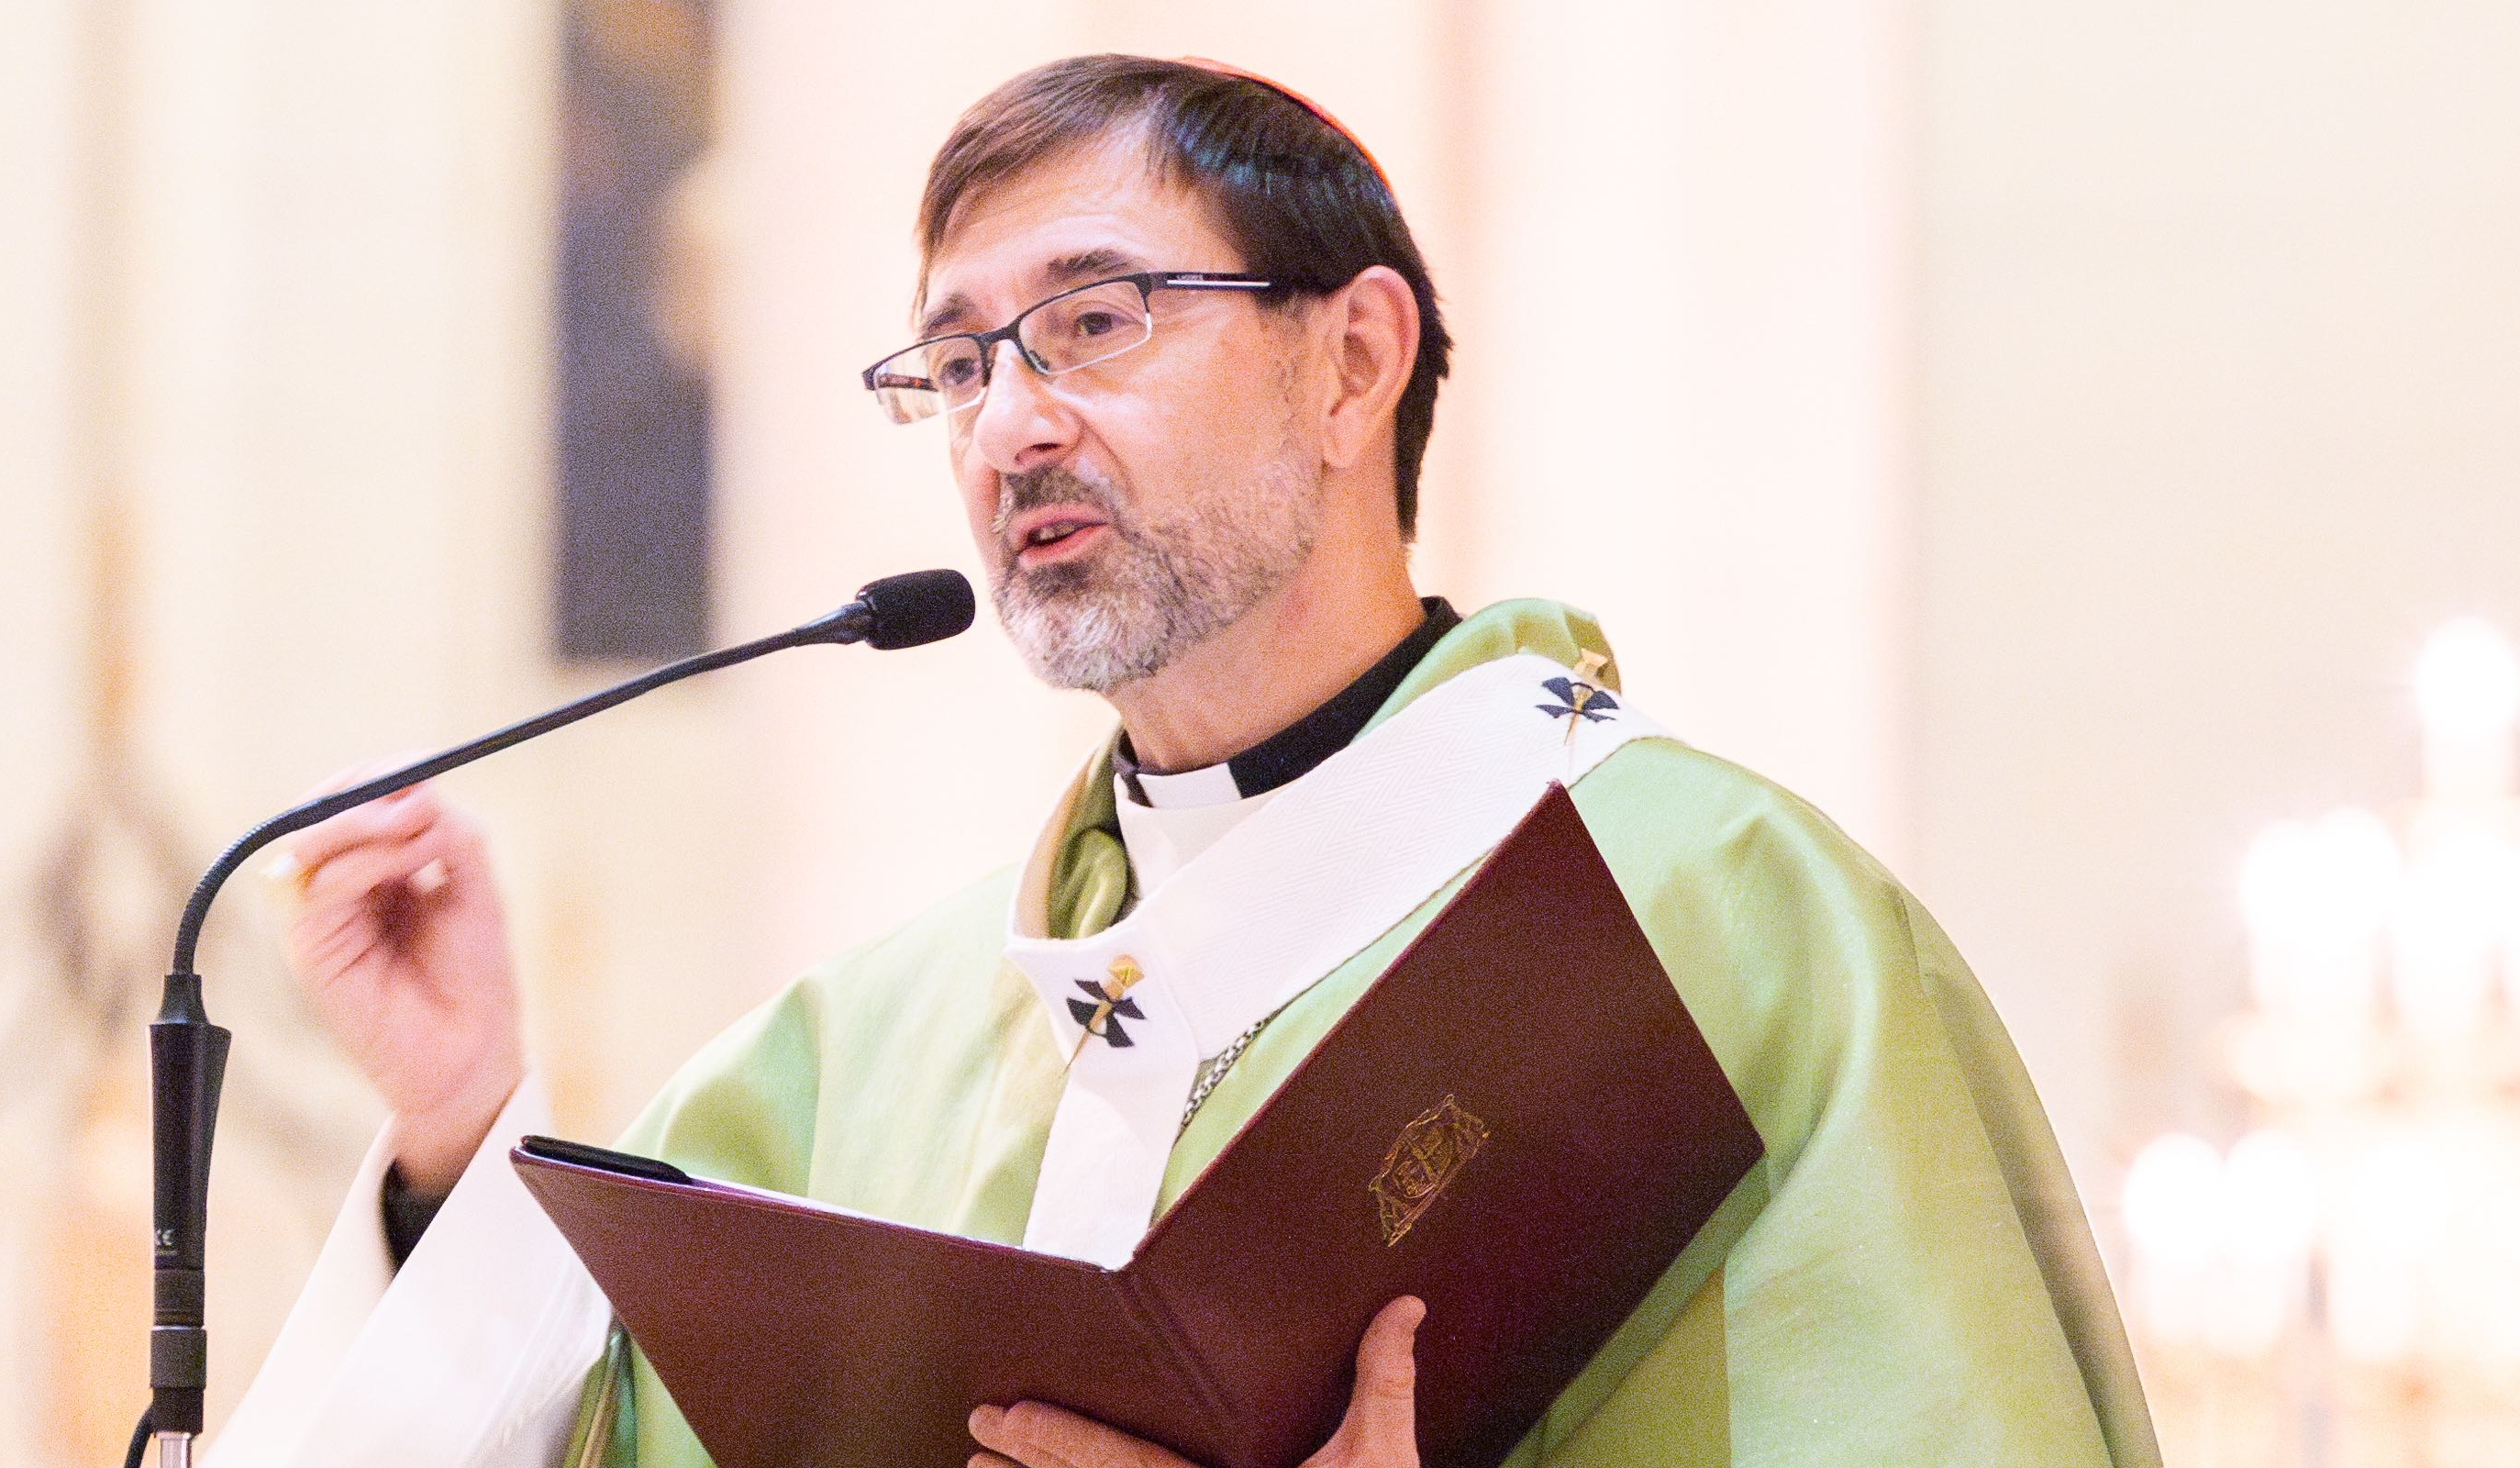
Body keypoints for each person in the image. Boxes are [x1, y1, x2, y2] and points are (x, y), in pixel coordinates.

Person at [213, 53, 2161, 1468]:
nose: (1007, 425)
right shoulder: (869, 1051)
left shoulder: (1725, 921)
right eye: (956, 363)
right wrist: (462, 1138)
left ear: (1351, 360)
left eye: (1092, 320)